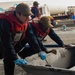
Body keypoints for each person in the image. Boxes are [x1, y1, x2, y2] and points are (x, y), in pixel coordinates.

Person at [0, 3, 46, 75]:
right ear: (18, 14)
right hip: (2, 42)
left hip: (8, 43)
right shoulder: (5, 22)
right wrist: (15, 57)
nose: (27, 18)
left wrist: (39, 51)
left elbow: (31, 37)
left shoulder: (26, 23)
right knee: (9, 56)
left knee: (10, 59)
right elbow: (6, 42)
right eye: (25, 16)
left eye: (28, 16)